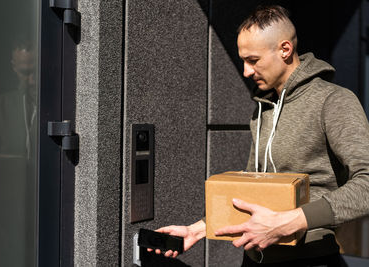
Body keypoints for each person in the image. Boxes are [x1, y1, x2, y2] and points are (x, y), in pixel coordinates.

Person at [149, 5, 369, 266]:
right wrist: (198, 230)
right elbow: (253, 187)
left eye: (253, 60)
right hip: (255, 259)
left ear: (285, 50)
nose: (246, 72)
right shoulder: (264, 108)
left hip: (311, 259)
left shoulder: (333, 101)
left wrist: (287, 222)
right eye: (243, 60)